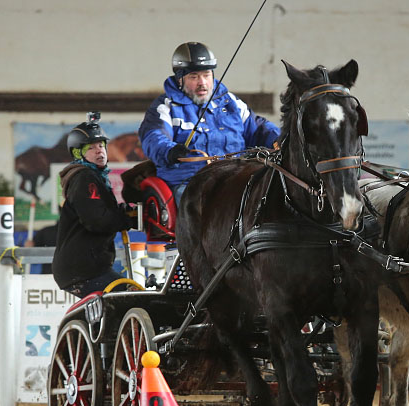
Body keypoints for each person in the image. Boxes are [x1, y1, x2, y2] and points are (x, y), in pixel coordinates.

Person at [139, 42, 281, 205]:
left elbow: (259, 129)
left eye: (206, 75)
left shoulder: (231, 102)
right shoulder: (165, 106)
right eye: (194, 76)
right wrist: (170, 151)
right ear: (180, 79)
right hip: (189, 183)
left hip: (237, 178)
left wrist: (280, 140)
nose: (202, 82)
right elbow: (153, 136)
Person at [53, 112, 133, 298]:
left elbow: (99, 211)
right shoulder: (85, 178)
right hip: (84, 270)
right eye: (91, 148)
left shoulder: (93, 177)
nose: (99, 151)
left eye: (101, 145)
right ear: (77, 153)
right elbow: (97, 220)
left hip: (83, 268)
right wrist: (125, 219)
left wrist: (124, 212)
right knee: (130, 297)